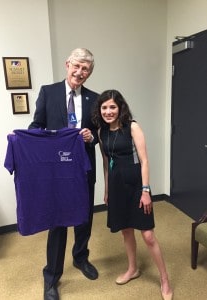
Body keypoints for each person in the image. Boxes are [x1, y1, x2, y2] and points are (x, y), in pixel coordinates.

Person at [28, 48, 99, 300]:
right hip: (56, 172)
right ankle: (51, 277)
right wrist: (28, 139)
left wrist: (92, 137)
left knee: (84, 218)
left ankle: (81, 258)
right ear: (67, 64)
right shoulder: (48, 92)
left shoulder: (95, 98)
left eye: (86, 69)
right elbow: (36, 126)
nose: (80, 72)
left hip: (82, 169)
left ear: (90, 73)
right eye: (77, 66)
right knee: (57, 223)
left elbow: (101, 133)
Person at [92, 89, 173, 300]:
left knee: (148, 235)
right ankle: (132, 269)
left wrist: (146, 191)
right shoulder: (101, 132)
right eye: (104, 107)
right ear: (100, 110)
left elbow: (145, 160)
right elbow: (106, 163)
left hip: (136, 185)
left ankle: (164, 279)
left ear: (120, 108)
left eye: (112, 107)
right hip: (117, 187)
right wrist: (107, 189)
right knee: (126, 231)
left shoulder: (132, 127)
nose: (108, 111)